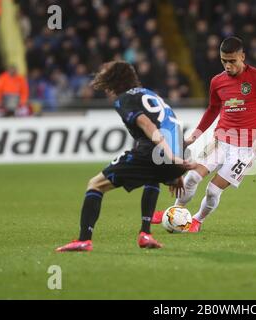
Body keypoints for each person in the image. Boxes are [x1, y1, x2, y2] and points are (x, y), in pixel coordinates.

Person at [152, 36, 256, 232]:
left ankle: (197, 220)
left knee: (212, 190)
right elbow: (212, 109)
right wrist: (195, 135)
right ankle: (175, 211)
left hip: (246, 148)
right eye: (223, 60)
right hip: (221, 141)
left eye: (232, 61)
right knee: (191, 178)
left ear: (242, 57)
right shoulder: (217, 82)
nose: (227, 65)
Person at [56, 61, 195, 252]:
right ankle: (145, 234)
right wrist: (175, 169)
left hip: (157, 151)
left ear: (113, 79)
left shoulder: (124, 99)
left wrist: (170, 156)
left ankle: (84, 240)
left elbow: (147, 125)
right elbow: (172, 125)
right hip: (171, 153)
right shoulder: (150, 94)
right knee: (152, 177)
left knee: (95, 184)